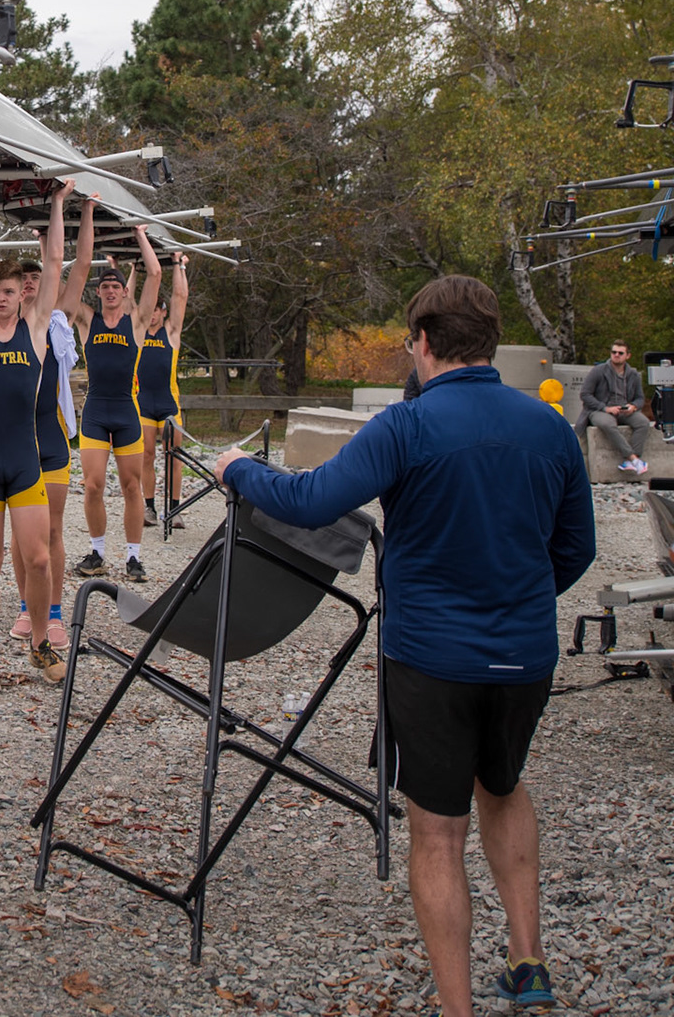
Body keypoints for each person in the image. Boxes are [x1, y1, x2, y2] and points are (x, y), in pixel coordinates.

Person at [217, 275, 594, 1017]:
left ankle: (457, 1008)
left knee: (438, 830)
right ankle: (529, 962)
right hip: (524, 654)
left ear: (422, 342)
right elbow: (576, 547)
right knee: (504, 786)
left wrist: (241, 469)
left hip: (431, 658)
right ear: (489, 342)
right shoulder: (548, 426)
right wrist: (516, 597)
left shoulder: (406, 425)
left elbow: (312, 500)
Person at [0, 176, 72, 693]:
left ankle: (41, 640)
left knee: (39, 557)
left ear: (20, 295)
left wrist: (58, 205)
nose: (0, 298)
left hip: (25, 461)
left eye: (8, 291)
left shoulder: (37, 327)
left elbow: (55, 264)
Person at [6, 195, 97, 682]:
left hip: (50, 437)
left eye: (35, 277)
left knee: (53, 530)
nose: (29, 284)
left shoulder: (55, 318)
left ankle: (55, 611)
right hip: (12, 441)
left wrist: (80, 210)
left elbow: (76, 264)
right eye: (22, 279)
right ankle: (27, 604)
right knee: (21, 534)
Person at [70, 230, 161, 582]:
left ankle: (134, 557)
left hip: (125, 412)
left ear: (124, 292)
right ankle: (97, 553)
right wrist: (49, 240)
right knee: (92, 485)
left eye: (115, 286)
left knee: (131, 486)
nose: (110, 290)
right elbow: (65, 284)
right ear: (98, 292)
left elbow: (155, 274)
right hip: (95, 410)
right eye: (105, 286)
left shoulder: (136, 323)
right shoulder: (86, 320)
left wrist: (140, 235)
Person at [135, 252, 189, 529]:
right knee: (146, 455)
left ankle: (175, 509)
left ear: (163, 311)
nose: (153, 313)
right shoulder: (137, 332)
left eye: (158, 308)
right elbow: (128, 301)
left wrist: (179, 266)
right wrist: (130, 269)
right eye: (151, 308)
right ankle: (149, 507)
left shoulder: (171, 333)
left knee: (173, 457)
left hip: (169, 405)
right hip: (143, 403)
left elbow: (180, 297)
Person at [578, 339, 652, 475]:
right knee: (607, 424)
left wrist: (633, 406)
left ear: (628, 356)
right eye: (614, 352)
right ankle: (633, 459)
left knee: (643, 422)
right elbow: (585, 394)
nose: (616, 355)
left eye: (620, 353)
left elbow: (640, 398)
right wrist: (605, 408)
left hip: (624, 410)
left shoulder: (633, 374)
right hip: (600, 410)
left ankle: (632, 460)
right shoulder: (598, 371)